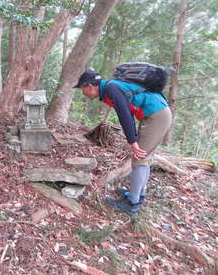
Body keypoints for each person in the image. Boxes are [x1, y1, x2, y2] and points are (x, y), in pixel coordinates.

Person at [73, 69, 172, 215]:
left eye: (82, 89)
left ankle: (132, 203)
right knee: (145, 158)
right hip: (157, 113)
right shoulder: (111, 87)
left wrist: (132, 142)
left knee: (139, 159)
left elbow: (125, 115)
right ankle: (138, 194)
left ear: (89, 86)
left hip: (156, 115)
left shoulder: (111, 89)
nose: (83, 93)